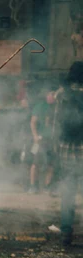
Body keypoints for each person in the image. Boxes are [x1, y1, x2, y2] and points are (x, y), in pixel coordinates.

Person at [57, 62, 83, 246]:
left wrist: (55, 147)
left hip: (66, 150)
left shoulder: (62, 95)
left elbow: (56, 125)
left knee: (68, 192)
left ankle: (66, 231)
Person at [28, 84, 56, 194]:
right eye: (51, 94)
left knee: (51, 164)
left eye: (54, 94)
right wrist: (35, 136)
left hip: (52, 140)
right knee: (35, 163)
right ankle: (33, 186)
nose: (52, 96)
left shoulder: (57, 107)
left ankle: (47, 186)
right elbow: (33, 122)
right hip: (39, 140)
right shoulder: (40, 106)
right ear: (46, 95)